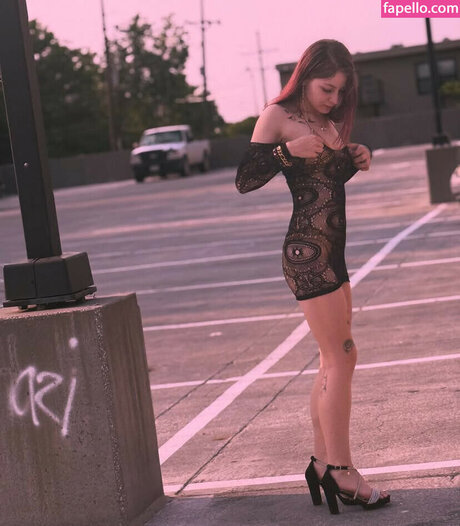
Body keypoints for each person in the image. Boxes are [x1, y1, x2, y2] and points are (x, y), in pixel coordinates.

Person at [235, 39, 390, 515]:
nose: (334, 100)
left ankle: (323, 462)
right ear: (305, 78)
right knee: (341, 356)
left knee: (335, 357)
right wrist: (286, 152)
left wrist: (355, 158)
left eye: (341, 92)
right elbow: (244, 179)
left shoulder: (328, 123)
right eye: (327, 89)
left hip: (335, 255)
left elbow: (325, 182)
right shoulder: (277, 115)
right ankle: (341, 470)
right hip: (308, 254)